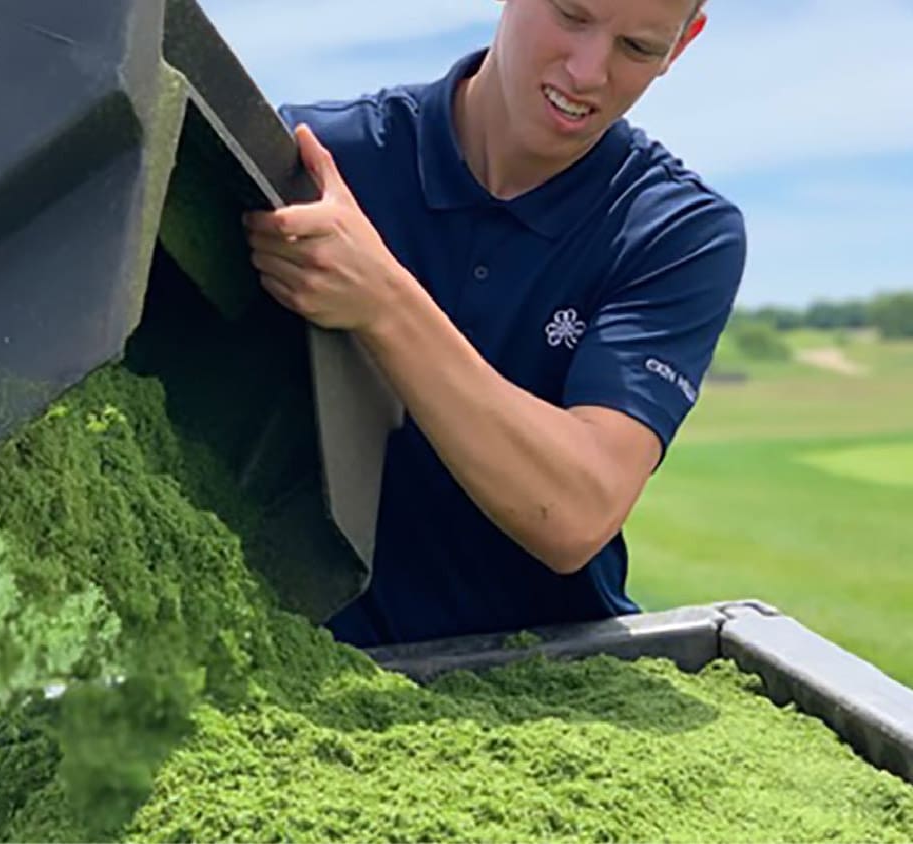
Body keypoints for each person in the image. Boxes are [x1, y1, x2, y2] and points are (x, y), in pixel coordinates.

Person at [243, 0, 746, 647]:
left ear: (681, 46)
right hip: (307, 657)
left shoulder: (676, 231)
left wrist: (384, 300)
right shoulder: (315, 165)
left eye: (637, 48)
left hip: (546, 670)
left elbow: (575, 513)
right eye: (571, 14)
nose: (588, 72)